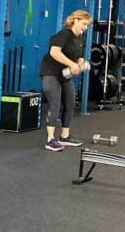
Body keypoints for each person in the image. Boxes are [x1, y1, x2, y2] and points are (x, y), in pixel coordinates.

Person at [38, 9, 92, 152]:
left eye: (87, 25)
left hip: (64, 75)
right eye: (84, 24)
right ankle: (50, 140)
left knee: (70, 102)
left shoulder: (80, 39)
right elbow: (54, 52)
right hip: (50, 73)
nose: (85, 28)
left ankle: (64, 137)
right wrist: (72, 64)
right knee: (55, 104)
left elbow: (79, 56)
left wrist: (81, 64)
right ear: (75, 20)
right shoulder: (63, 34)